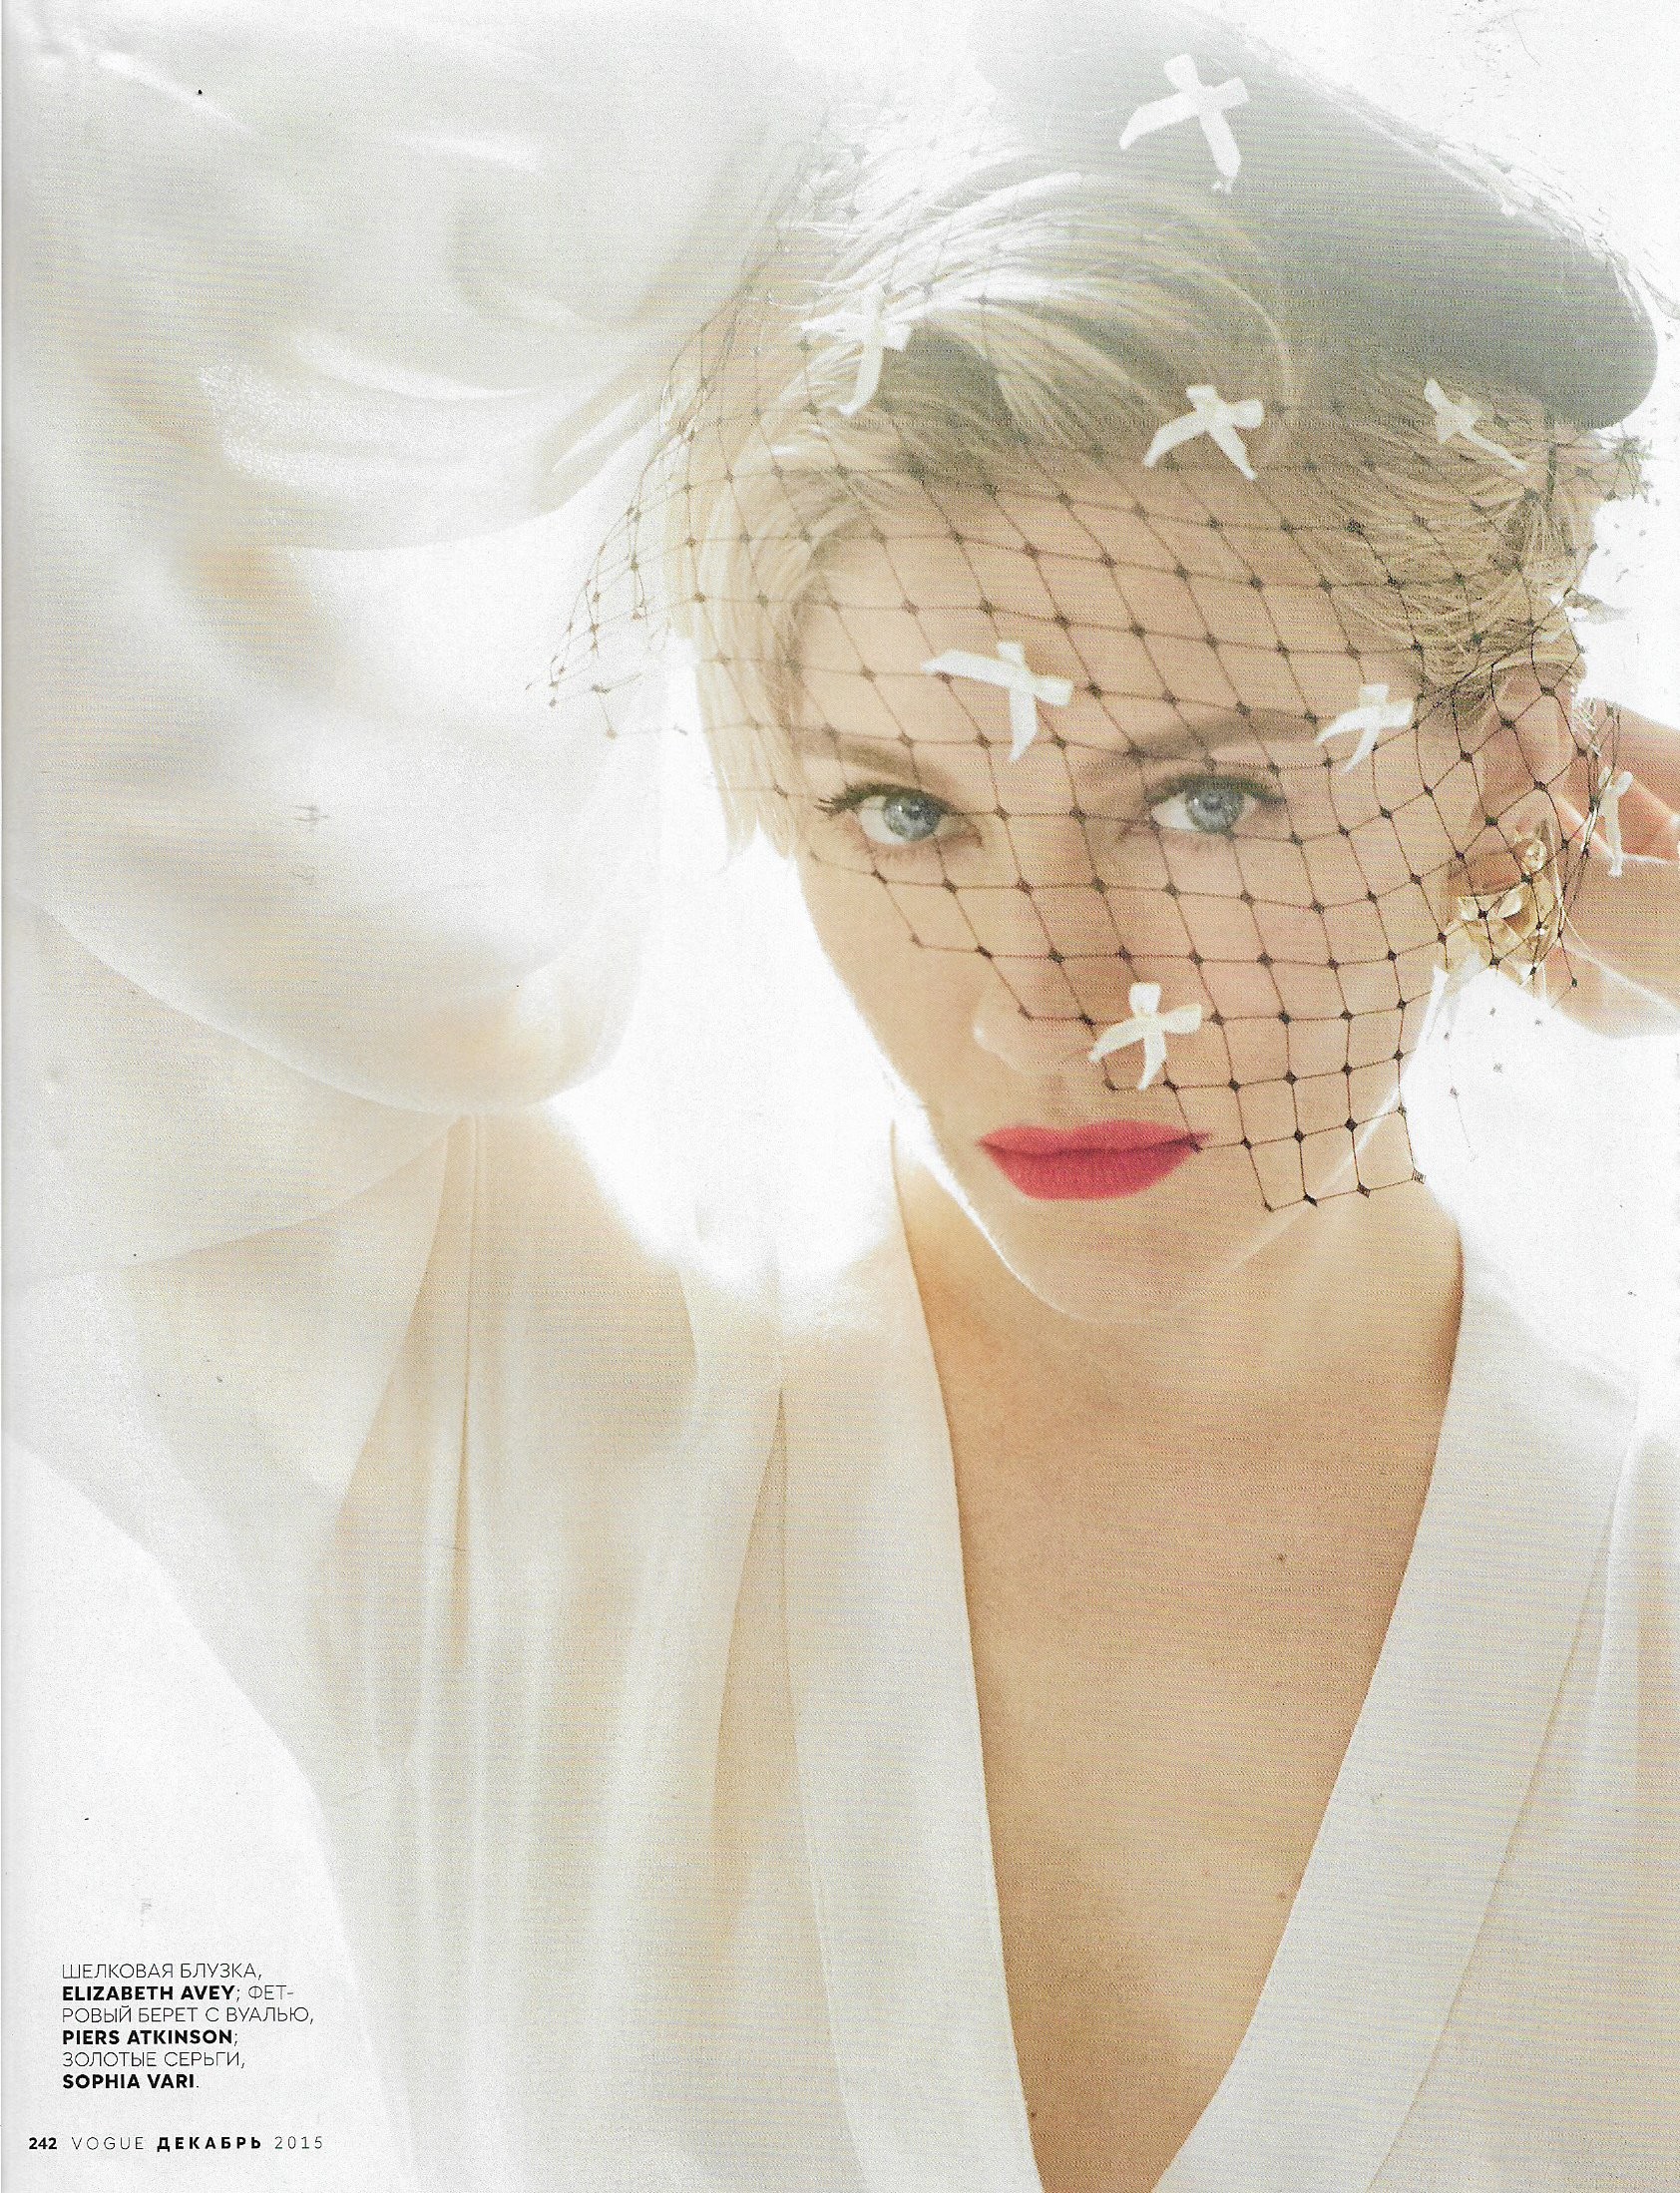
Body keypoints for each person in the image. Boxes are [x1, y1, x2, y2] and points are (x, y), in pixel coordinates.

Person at [8, 3, 1677, 2189]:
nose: (1047, 1000)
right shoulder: (479, 1461)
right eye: (904, 812)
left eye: (1201, 799)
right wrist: (756, 175)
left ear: (1511, 773)